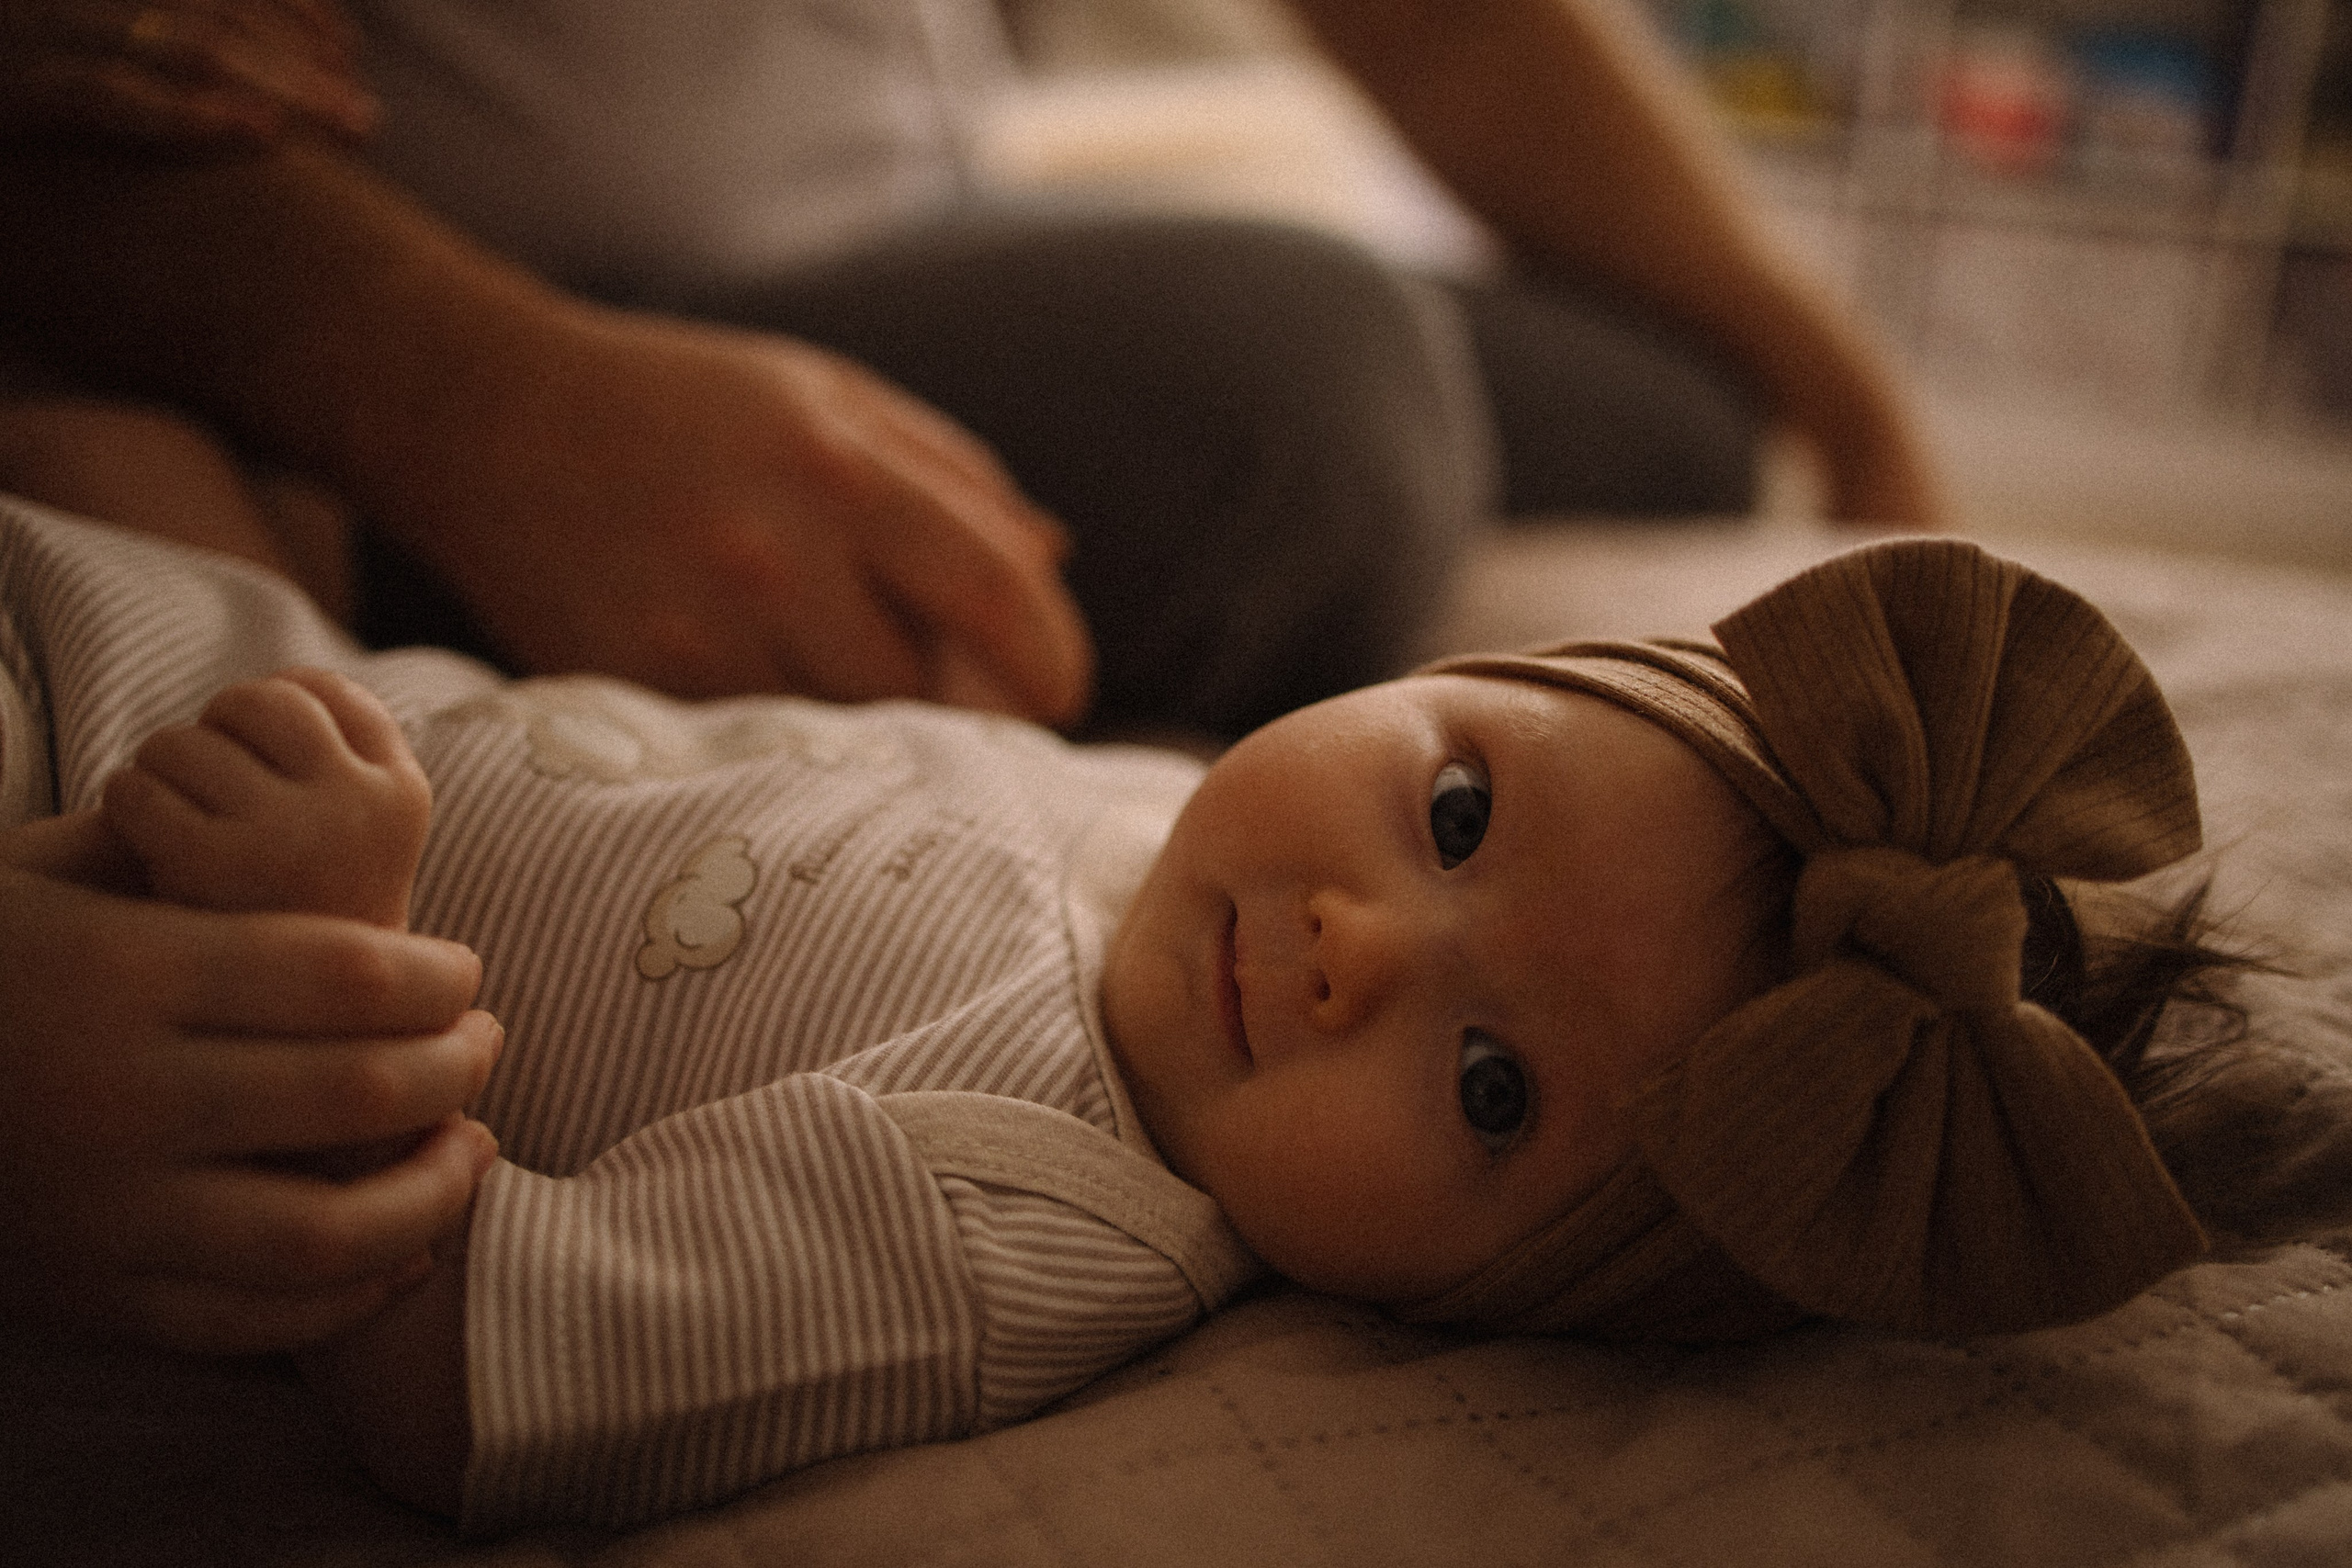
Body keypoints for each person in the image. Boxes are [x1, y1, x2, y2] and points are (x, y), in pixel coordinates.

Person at [3, 491, 2255, 1530]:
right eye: (1456, 802)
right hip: (151, 636)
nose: (1361, 942)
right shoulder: (1172, 808)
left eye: (1488, 1086)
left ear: (1508, 1298)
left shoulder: (1027, 1211)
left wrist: (324, 958)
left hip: (132, 888)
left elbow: (464, 1374)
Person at [1, 0, 1944, 742]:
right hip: (460, 331)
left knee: (1676, 406)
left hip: (899, 225)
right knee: (1312, 392)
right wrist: (467, 400)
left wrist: (1847, 407)